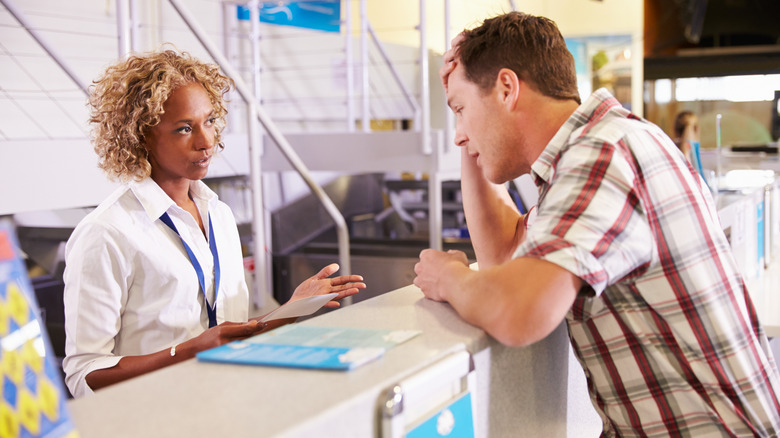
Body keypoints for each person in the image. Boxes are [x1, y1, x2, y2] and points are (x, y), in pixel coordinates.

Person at [413, 11, 780, 436]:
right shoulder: (592, 151)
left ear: (508, 89)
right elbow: (502, 255)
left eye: (459, 111)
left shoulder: (603, 156)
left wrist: (449, 277)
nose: (457, 134)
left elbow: (517, 309)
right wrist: (470, 123)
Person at [63, 49, 365, 398]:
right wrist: (187, 352)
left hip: (222, 405)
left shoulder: (217, 214)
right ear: (141, 135)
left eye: (209, 121)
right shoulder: (107, 233)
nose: (206, 142)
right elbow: (84, 373)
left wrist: (291, 309)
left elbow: (222, 335)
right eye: (184, 128)